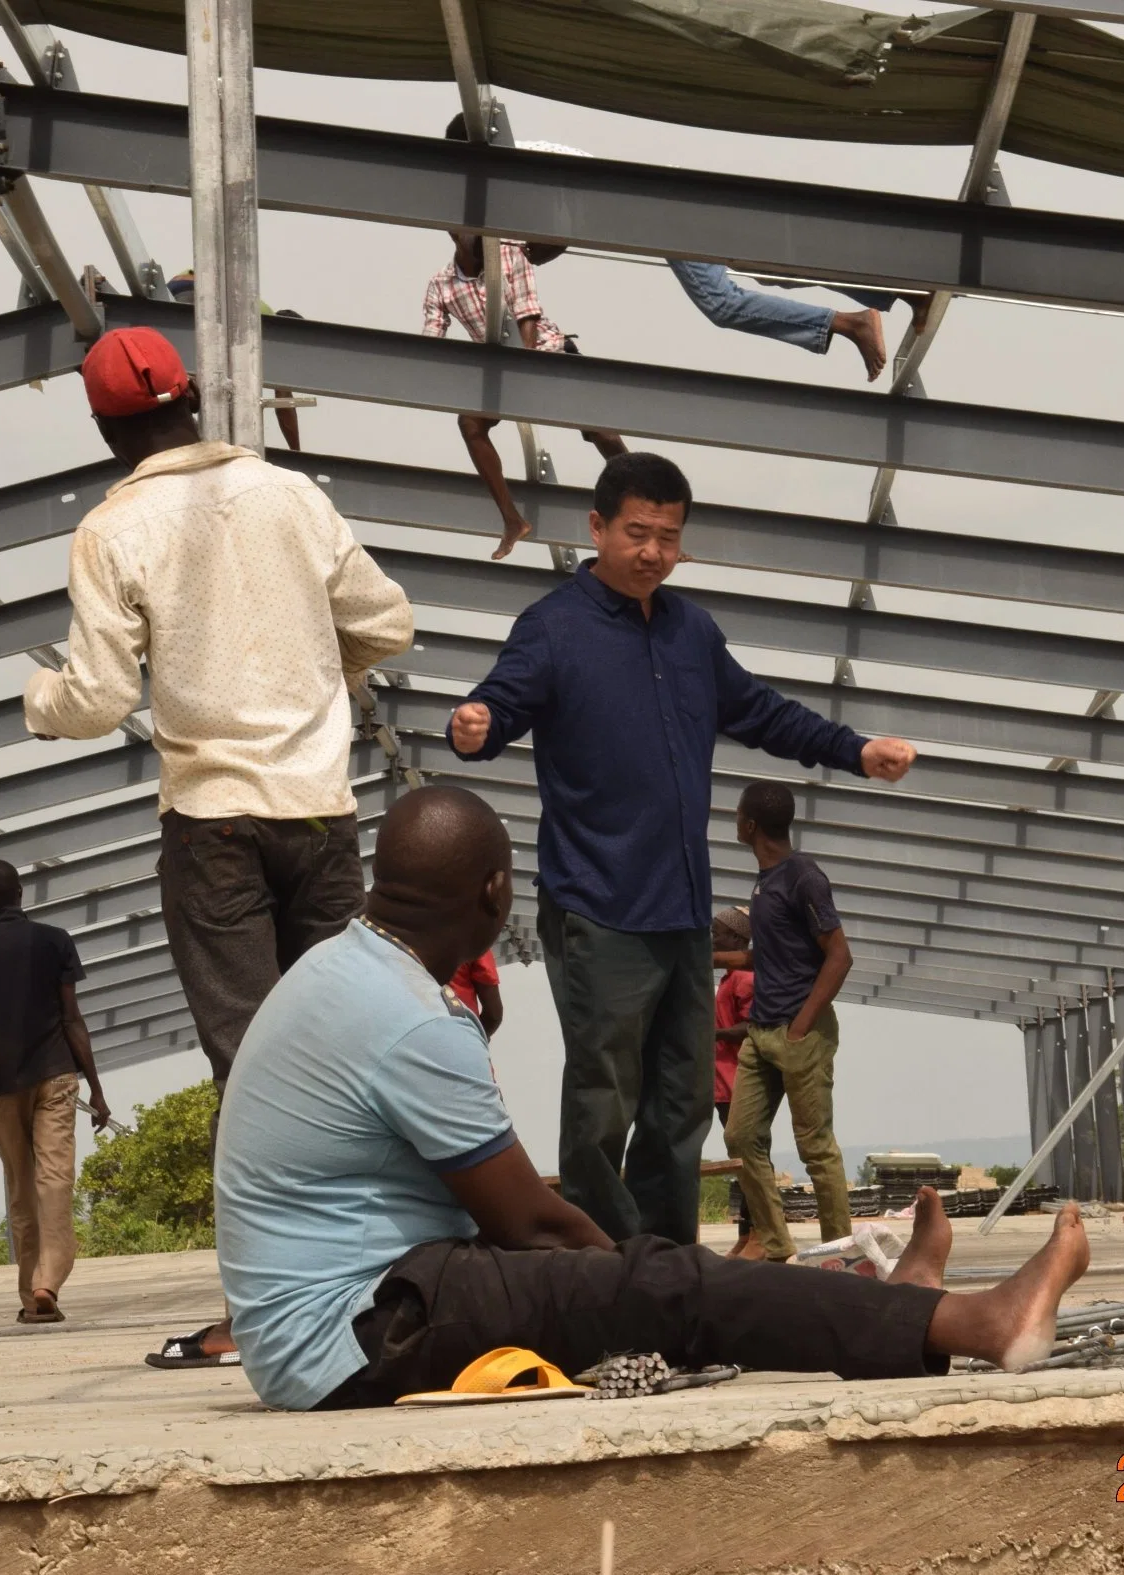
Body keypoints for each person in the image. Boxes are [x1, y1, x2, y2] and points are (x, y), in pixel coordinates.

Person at [215, 785, 1090, 1411]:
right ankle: (974, 1323)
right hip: (355, 1335)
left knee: (646, 1282)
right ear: (493, 891)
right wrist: (641, 1294)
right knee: (658, 1279)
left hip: (340, 1321)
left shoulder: (341, 972)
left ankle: (904, 1313)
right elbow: (541, 1229)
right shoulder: (410, 1017)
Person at [24, 325, 413, 1365]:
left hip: (214, 824)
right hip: (321, 812)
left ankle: (270, 1310)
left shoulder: (114, 530)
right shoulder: (292, 496)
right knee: (344, 1047)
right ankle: (385, 1283)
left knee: (253, 1066)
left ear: (106, 426)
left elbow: (101, 696)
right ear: (193, 398)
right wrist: (317, 672)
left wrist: (40, 702)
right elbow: (389, 620)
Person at [447, 451, 917, 1248]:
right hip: (597, 905)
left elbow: (764, 713)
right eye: (637, 533)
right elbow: (503, 700)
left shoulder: (691, 633)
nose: (654, 552)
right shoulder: (554, 627)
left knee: (680, 1100)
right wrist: (477, 727)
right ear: (596, 528)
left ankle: (663, 1258)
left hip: (680, 910)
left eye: (669, 537)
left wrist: (855, 749)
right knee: (604, 1097)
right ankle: (600, 1262)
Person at [443, 115, 928, 382]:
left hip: (662, 214)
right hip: (661, 211)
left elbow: (552, 242)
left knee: (722, 302)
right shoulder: (522, 160)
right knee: (769, 268)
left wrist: (501, 246)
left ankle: (856, 319)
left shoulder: (514, 170)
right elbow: (554, 239)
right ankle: (894, 294)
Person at [0, 859, 112, 1325]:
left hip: (3, 1083)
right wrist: (97, 1090)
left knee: (21, 1186)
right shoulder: (55, 941)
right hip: (57, 1074)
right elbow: (72, 1019)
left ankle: (29, 1296)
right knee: (55, 1179)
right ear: (21, 893)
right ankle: (48, 1281)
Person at [422, 229, 626, 559]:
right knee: (470, 424)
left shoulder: (509, 252)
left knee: (605, 434)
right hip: (500, 369)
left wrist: (525, 369)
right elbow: (431, 340)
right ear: (452, 233)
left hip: (547, 351)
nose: (475, 234)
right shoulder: (441, 285)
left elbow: (527, 311)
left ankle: (645, 499)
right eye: (466, 228)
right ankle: (512, 520)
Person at [724, 782, 856, 1263]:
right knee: (740, 1136)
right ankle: (778, 1247)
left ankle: (839, 1253)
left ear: (751, 825)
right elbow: (766, 956)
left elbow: (839, 956)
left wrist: (801, 1025)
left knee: (815, 1148)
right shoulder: (765, 881)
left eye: (737, 816)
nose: (734, 822)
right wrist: (706, 956)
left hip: (801, 1033)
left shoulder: (804, 876)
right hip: (761, 1034)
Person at [164, 274, 305, 450]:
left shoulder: (262, 316)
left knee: (199, 375)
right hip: (197, 292)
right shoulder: (273, 341)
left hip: (178, 287)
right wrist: (296, 450)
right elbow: (285, 408)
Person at [711, 905, 754, 1254]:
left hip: (735, 1081)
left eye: (718, 934)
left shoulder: (744, 978)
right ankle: (748, 1234)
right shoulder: (728, 978)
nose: (713, 940)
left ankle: (754, 1233)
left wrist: (713, 1034)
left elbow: (751, 1026)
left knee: (747, 1161)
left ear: (738, 940)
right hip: (720, 1083)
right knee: (739, 1161)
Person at [449, 947, 504, 1037]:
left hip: (419, 1031)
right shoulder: (473, 939)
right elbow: (494, 1016)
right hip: (461, 1034)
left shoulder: (420, 938)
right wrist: (475, 1039)